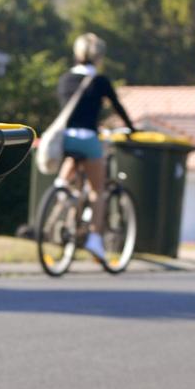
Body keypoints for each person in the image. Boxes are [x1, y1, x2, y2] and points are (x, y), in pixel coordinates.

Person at [55, 33, 136, 261]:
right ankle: (94, 239)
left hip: (65, 138)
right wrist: (132, 129)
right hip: (88, 137)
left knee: (73, 159)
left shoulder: (65, 79)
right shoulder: (100, 81)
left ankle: (61, 188)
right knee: (97, 191)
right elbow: (117, 106)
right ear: (99, 56)